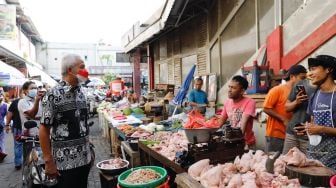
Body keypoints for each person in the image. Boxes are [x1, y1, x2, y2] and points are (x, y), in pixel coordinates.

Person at [39, 54, 92, 188]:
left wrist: (89, 151)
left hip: (85, 160)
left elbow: (83, 125)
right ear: (70, 70)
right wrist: (48, 161)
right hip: (64, 164)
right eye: (82, 67)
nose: (86, 71)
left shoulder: (82, 93)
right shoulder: (52, 95)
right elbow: (44, 130)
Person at [296, 55, 336, 170]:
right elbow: (313, 125)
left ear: (328, 69)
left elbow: (319, 128)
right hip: (313, 157)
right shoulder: (315, 96)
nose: (309, 74)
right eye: (309, 70)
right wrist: (306, 129)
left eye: (313, 69)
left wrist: (322, 129)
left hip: (333, 161)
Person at [263, 65, 307, 153]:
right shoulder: (277, 90)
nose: (305, 81)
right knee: (274, 162)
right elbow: (266, 108)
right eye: (302, 78)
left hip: (293, 134)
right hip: (276, 134)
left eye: (306, 78)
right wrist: (283, 119)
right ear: (292, 77)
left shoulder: (301, 91)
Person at [283, 71, 316, 154]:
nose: (312, 72)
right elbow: (286, 107)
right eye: (312, 68)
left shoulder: (324, 88)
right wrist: (296, 102)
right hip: (292, 132)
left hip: (310, 136)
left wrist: (310, 127)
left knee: (308, 164)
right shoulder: (300, 84)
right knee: (287, 162)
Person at [219, 75, 256, 149]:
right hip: (232, 142)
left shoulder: (250, 102)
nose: (229, 90)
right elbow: (221, 121)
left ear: (242, 91)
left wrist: (238, 141)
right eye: (229, 87)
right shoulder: (227, 102)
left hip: (246, 143)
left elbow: (243, 122)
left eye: (233, 88)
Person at [17, 81, 43, 162]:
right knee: (29, 161)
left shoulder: (39, 101)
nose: (35, 90)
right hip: (30, 137)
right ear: (25, 91)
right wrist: (39, 117)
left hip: (41, 134)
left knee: (41, 160)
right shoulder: (22, 102)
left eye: (36, 88)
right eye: (32, 88)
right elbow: (31, 114)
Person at [5, 96, 23, 169]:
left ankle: (18, 163)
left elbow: (9, 114)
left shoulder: (15, 102)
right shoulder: (16, 102)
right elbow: (9, 114)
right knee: (21, 145)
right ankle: (21, 163)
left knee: (18, 146)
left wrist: (7, 125)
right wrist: (7, 125)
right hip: (20, 128)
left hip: (20, 127)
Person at [0, 94, 7, 162]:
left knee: (1, 140)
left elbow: (5, 114)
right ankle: (2, 155)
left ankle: (2, 154)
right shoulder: (4, 105)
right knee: (1, 141)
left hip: (1, 125)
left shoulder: (5, 105)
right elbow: (5, 114)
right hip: (1, 124)